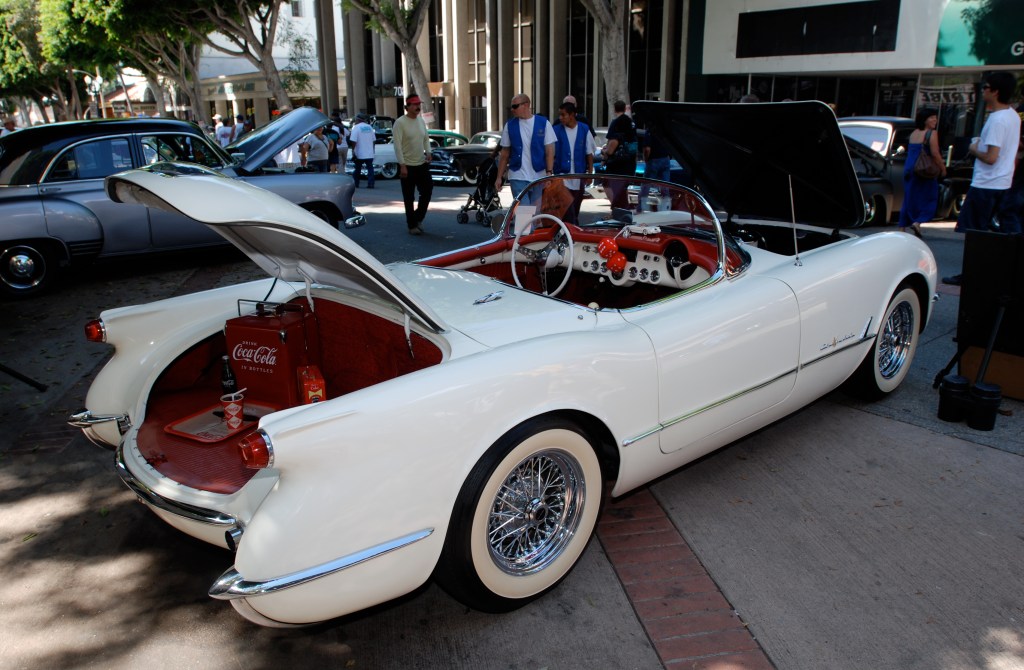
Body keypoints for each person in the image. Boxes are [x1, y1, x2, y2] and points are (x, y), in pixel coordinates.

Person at [944, 71, 1022, 285]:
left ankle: (972, 274)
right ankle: (998, 273)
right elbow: (1012, 152)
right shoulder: (1013, 116)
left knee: (975, 235)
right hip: (1004, 182)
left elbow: (991, 157)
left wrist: (973, 147)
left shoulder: (997, 120)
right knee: (999, 234)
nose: (983, 91)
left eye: (985, 87)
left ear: (995, 92)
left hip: (986, 184)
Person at [495, 93, 556, 207]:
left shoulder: (543, 123)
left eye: (515, 106)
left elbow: (549, 151)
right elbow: (505, 153)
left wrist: (549, 173)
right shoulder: (510, 125)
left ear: (526, 105)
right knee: (524, 214)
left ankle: (531, 225)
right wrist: (499, 177)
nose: (512, 110)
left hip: (539, 176)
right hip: (517, 175)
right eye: (511, 107)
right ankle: (523, 225)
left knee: (536, 214)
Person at [898, 107, 946, 238]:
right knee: (929, 197)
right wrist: (943, 168)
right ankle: (918, 222)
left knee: (909, 197)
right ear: (924, 119)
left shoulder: (914, 133)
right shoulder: (931, 133)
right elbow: (935, 154)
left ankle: (902, 227)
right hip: (924, 169)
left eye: (935, 118)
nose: (935, 120)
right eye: (931, 117)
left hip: (910, 168)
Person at [392, 95, 434, 235]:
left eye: (419, 104)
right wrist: (402, 164)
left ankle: (417, 218)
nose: (418, 107)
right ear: (408, 106)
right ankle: (412, 225)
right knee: (409, 197)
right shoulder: (400, 123)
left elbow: (425, 139)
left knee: (427, 191)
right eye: (415, 104)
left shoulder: (421, 121)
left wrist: (428, 151)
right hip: (407, 165)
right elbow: (397, 146)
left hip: (421, 163)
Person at [552, 101, 595, 221]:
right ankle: (571, 229)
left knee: (575, 207)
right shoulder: (556, 130)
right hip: (561, 176)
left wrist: (590, 173)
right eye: (559, 115)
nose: (560, 118)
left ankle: (572, 230)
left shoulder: (584, 129)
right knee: (567, 208)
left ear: (571, 115)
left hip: (578, 175)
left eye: (563, 115)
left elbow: (589, 153)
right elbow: (550, 153)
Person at [600, 100, 638, 206]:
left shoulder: (616, 122)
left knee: (607, 184)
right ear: (624, 109)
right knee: (622, 189)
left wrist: (605, 152)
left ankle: (616, 208)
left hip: (617, 164)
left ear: (614, 109)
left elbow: (612, 146)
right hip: (630, 163)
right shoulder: (631, 123)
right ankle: (623, 210)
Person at [350, 113, 377, 188]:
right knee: (370, 169)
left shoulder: (356, 127)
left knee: (357, 169)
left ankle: (356, 184)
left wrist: (353, 151)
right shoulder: (369, 127)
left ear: (358, 119)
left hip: (359, 153)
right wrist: (373, 150)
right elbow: (374, 140)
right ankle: (371, 184)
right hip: (369, 153)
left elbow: (353, 141)